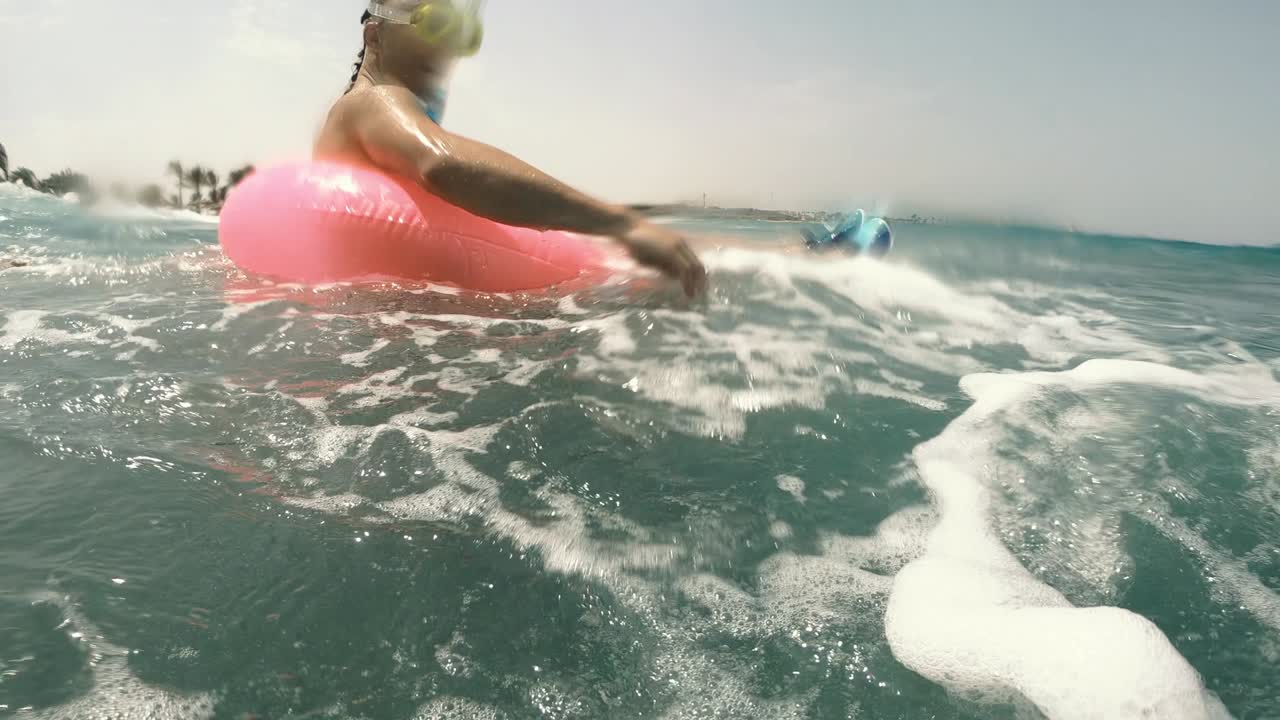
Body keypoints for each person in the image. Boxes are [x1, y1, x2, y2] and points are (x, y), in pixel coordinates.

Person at [315, 0, 707, 297]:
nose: (446, 46)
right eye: (434, 23)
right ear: (374, 36)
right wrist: (623, 225)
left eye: (461, 33)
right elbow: (440, 162)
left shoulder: (359, 110)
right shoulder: (372, 101)